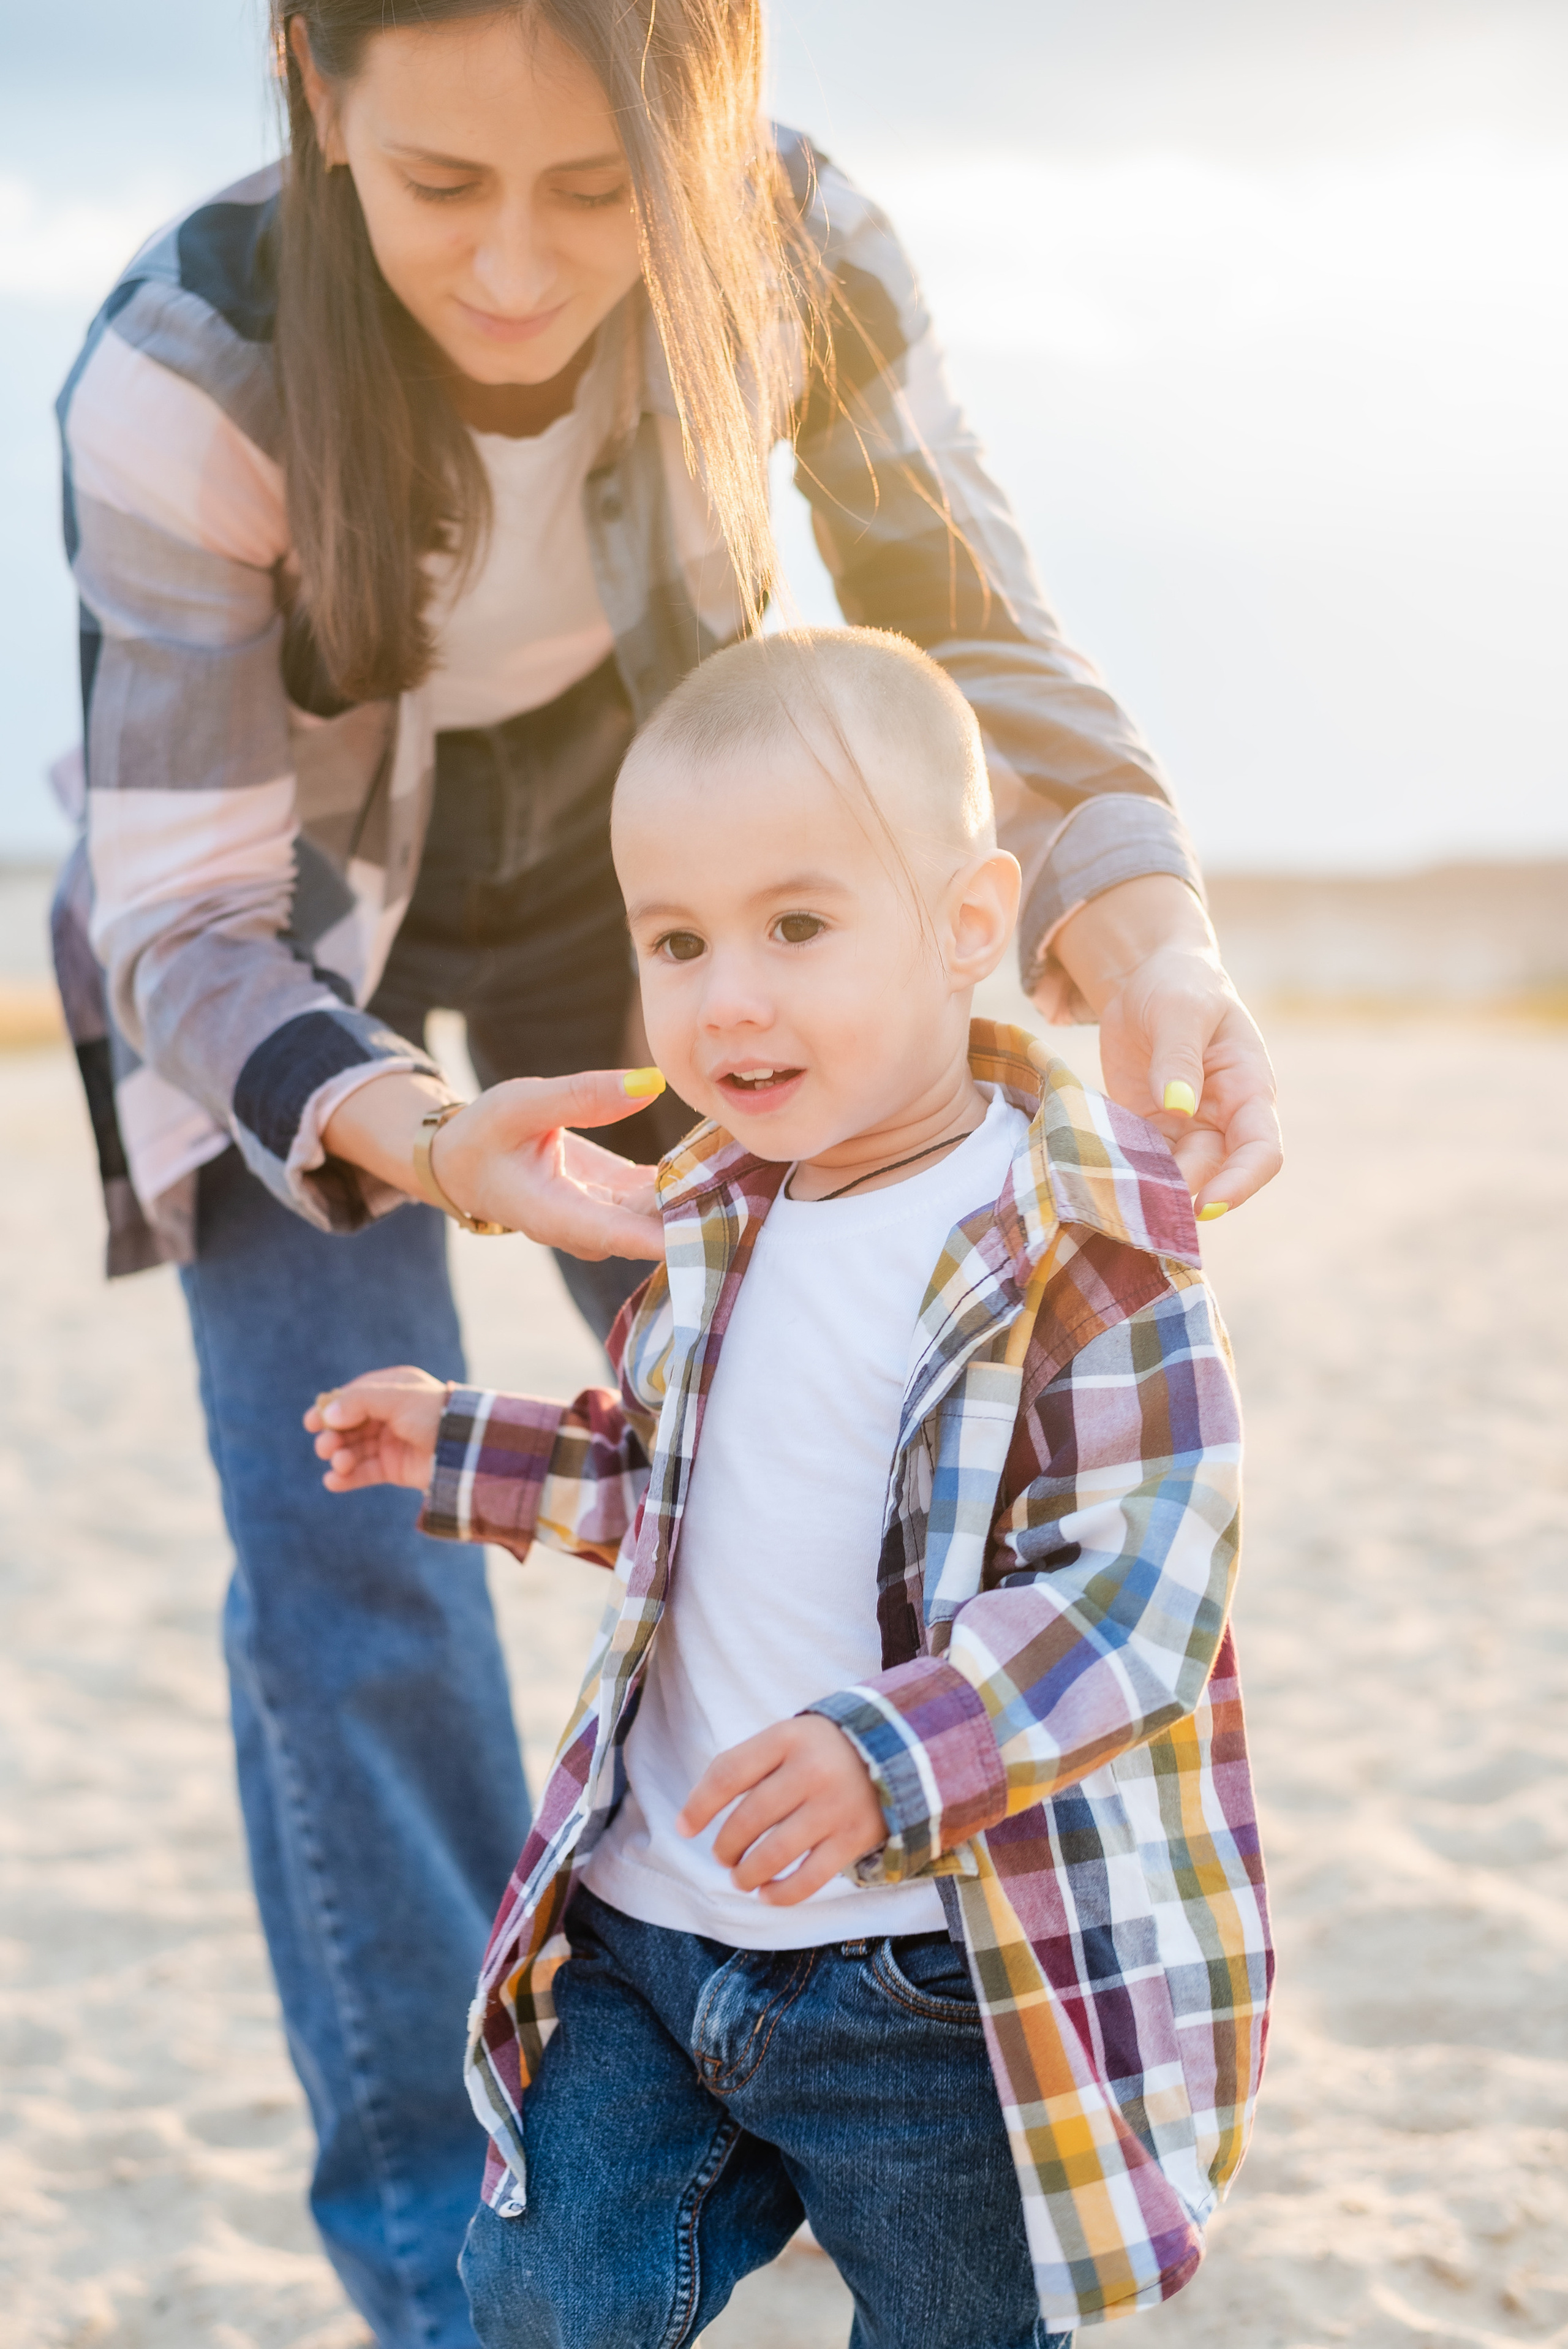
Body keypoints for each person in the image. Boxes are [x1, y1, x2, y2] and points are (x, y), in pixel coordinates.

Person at [52, 2, 1280, 2337]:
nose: (518, 271)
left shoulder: (799, 235)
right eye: (440, 188)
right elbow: (188, 924)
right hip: (276, 938)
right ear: (316, 92)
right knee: (355, 1568)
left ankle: (887, 2101)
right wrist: (427, 1139)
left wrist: (1158, 938)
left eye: (598, 192)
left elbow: (977, 633)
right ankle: (461, 2258)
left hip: (661, 901)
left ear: (700, 126)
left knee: (829, 1466)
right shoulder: (181, 373)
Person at [306, 629, 1273, 2349]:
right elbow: (667, 1475)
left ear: (972, 923)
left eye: (797, 926)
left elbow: (1140, 1590)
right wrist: (461, 1441)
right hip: (649, 1931)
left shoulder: (1086, 1234)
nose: (726, 994)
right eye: (676, 941)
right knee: (545, 2291)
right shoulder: (721, 1214)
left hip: (929, 1978)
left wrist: (885, 1753)